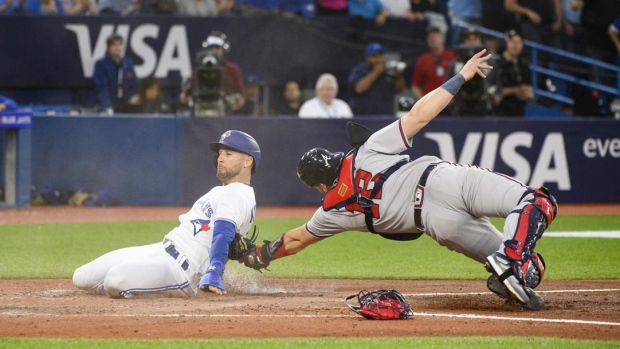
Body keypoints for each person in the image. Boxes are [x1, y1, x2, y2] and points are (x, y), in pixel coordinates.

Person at [240, 49, 557, 311]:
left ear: (320, 186)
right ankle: (511, 260)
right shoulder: (366, 149)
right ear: (336, 157)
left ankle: (509, 264)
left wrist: (257, 255)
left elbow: (296, 240)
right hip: (443, 182)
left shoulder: (332, 212)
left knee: (525, 269)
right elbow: (420, 115)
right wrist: (461, 76)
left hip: (439, 224)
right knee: (538, 202)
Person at [73, 130, 261, 298]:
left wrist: (215, 271)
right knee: (81, 277)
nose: (220, 158)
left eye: (229, 154)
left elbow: (223, 233)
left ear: (247, 161)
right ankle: (126, 283)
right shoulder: (222, 190)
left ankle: (123, 286)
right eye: (220, 153)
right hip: (161, 249)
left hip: (181, 271)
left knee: (115, 280)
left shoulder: (238, 194)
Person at [180, 31, 245, 116]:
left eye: (217, 48)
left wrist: (231, 102)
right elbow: (186, 95)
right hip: (200, 112)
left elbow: (241, 96)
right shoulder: (198, 69)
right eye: (211, 48)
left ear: (224, 50)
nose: (214, 51)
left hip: (225, 114)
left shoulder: (232, 69)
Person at [449, 28, 501, 116]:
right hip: (460, 108)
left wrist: (496, 97)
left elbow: (498, 87)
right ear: (464, 42)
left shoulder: (490, 62)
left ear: (481, 42)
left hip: (484, 107)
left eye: (475, 39)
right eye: (469, 40)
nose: (472, 43)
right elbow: (448, 86)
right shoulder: (457, 62)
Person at [348, 42, 405, 116]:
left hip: (386, 117)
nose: (378, 59)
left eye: (380, 55)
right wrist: (375, 72)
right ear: (367, 57)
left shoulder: (387, 71)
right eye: (374, 56)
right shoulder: (360, 70)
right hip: (364, 117)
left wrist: (397, 77)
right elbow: (358, 89)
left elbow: (400, 89)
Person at [93, 34, 140, 115]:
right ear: (108, 47)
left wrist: (135, 96)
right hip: (109, 104)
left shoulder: (128, 63)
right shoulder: (101, 64)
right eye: (114, 45)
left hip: (126, 104)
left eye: (119, 45)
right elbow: (102, 87)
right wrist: (108, 106)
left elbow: (135, 83)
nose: (117, 48)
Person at [410, 26, 455, 101]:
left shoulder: (453, 56)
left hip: (451, 103)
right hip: (431, 103)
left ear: (442, 38)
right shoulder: (423, 60)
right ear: (427, 40)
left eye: (436, 36)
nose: (433, 40)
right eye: (430, 37)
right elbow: (415, 85)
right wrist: (424, 101)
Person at [496, 29, 533, 117]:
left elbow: (529, 89)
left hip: (519, 112)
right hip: (501, 113)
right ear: (506, 43)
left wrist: (528, 94)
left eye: (519, 42)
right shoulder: (497, 65)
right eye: (513, 42)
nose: (516, 46)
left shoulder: (524, 65)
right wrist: (515, 90)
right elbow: (494, 91)